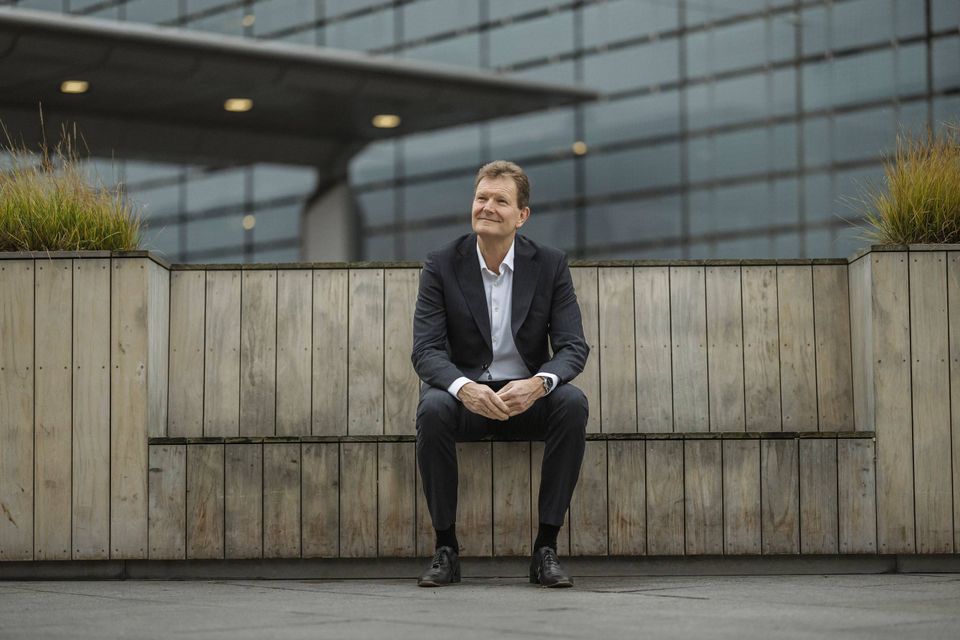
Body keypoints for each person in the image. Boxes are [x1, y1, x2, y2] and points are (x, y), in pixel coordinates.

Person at [411, 160, 590, 588]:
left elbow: (573, 346)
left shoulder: (549, 264)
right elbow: (426, 350)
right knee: (432, 407)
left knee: (572, 403)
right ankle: (446, 548)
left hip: (525, 399)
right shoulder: (441, 264)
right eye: (481, 198)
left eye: (500, 201)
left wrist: (538, 384)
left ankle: (546, 549)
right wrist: (464, 388)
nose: (487, 207)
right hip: (467, 400)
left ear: (522, 215)